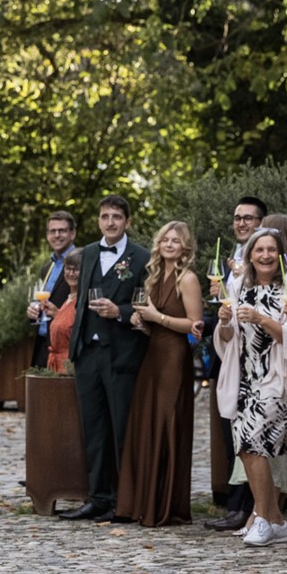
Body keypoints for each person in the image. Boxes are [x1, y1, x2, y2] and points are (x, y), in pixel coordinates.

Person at [58, 195, 150, 521]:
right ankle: (98, 497)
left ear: (127, 221)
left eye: (116, 217)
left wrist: (120, 312)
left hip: (122, 355)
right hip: (88, 354)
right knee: (93, 429)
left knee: (120, 429)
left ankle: (125, 502)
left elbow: (145, 305)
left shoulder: (141, 257)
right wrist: (75, 349)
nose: (110, 222)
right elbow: (77, 298)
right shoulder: (89, 253)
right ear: (98, 220)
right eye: (105, 216)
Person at [215, 227, 287, 545]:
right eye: (259, 250)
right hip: (243, 379)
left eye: (271, 250)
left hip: (276, 378)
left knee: (256, 442)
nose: (265, 255)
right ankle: (275, 520)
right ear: (250, 255)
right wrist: (225, 322)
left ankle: (266, 518)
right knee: (245, 448)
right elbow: (226, 340)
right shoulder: (238, 286)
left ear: (280, 255)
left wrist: (262, 319)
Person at [121, 220, 202, 526]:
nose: (169, 245)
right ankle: (145, 502)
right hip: (152, 356)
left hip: (174, 358)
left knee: (168, 423)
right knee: (148, 423)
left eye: (176, 241)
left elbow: (194, 325)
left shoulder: (188, 279)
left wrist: (158, 317)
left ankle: (167, 505)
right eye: (165, 240)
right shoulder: (152, 277)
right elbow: (150, 320)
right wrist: (143, 324)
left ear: (185, 247)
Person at [27, 210, 78, 368]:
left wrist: (60, 314)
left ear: (72, 234)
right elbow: (43, 301)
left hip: (67, 347)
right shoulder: (47, 267)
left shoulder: (83, 262)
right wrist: (32, 312)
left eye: (62, 230)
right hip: (44, 343)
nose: (57, 235)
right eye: (52, 231)